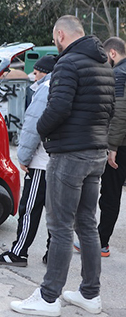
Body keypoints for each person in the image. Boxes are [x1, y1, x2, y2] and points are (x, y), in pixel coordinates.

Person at [10, 15, 115, 316]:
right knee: (86, 225)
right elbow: (110, 109)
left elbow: (58, 107)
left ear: (59, 34)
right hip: (96, 152)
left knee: (60, 227)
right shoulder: (103, 63)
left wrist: (43, 131)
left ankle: (48, 297)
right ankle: (90, 295)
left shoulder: (67, 63)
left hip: (70, 155)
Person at [0, 55, 56, 268]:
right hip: (59, 161)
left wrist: (24, 157)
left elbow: (33, 126)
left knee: (29, 209)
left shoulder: (45, 88)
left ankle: (18, 253)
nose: (33, 77)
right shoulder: (65, 85)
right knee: (57, 211)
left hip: (41, 162)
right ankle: (53, 254)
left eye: (35, 72)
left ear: (43, 72)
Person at [72, 37, 126, 259]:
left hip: (121, 146)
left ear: (112, 53)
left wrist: (112, 145)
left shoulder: (120, 74)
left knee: (110, 195)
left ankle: (100, 243)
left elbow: (120, 111)